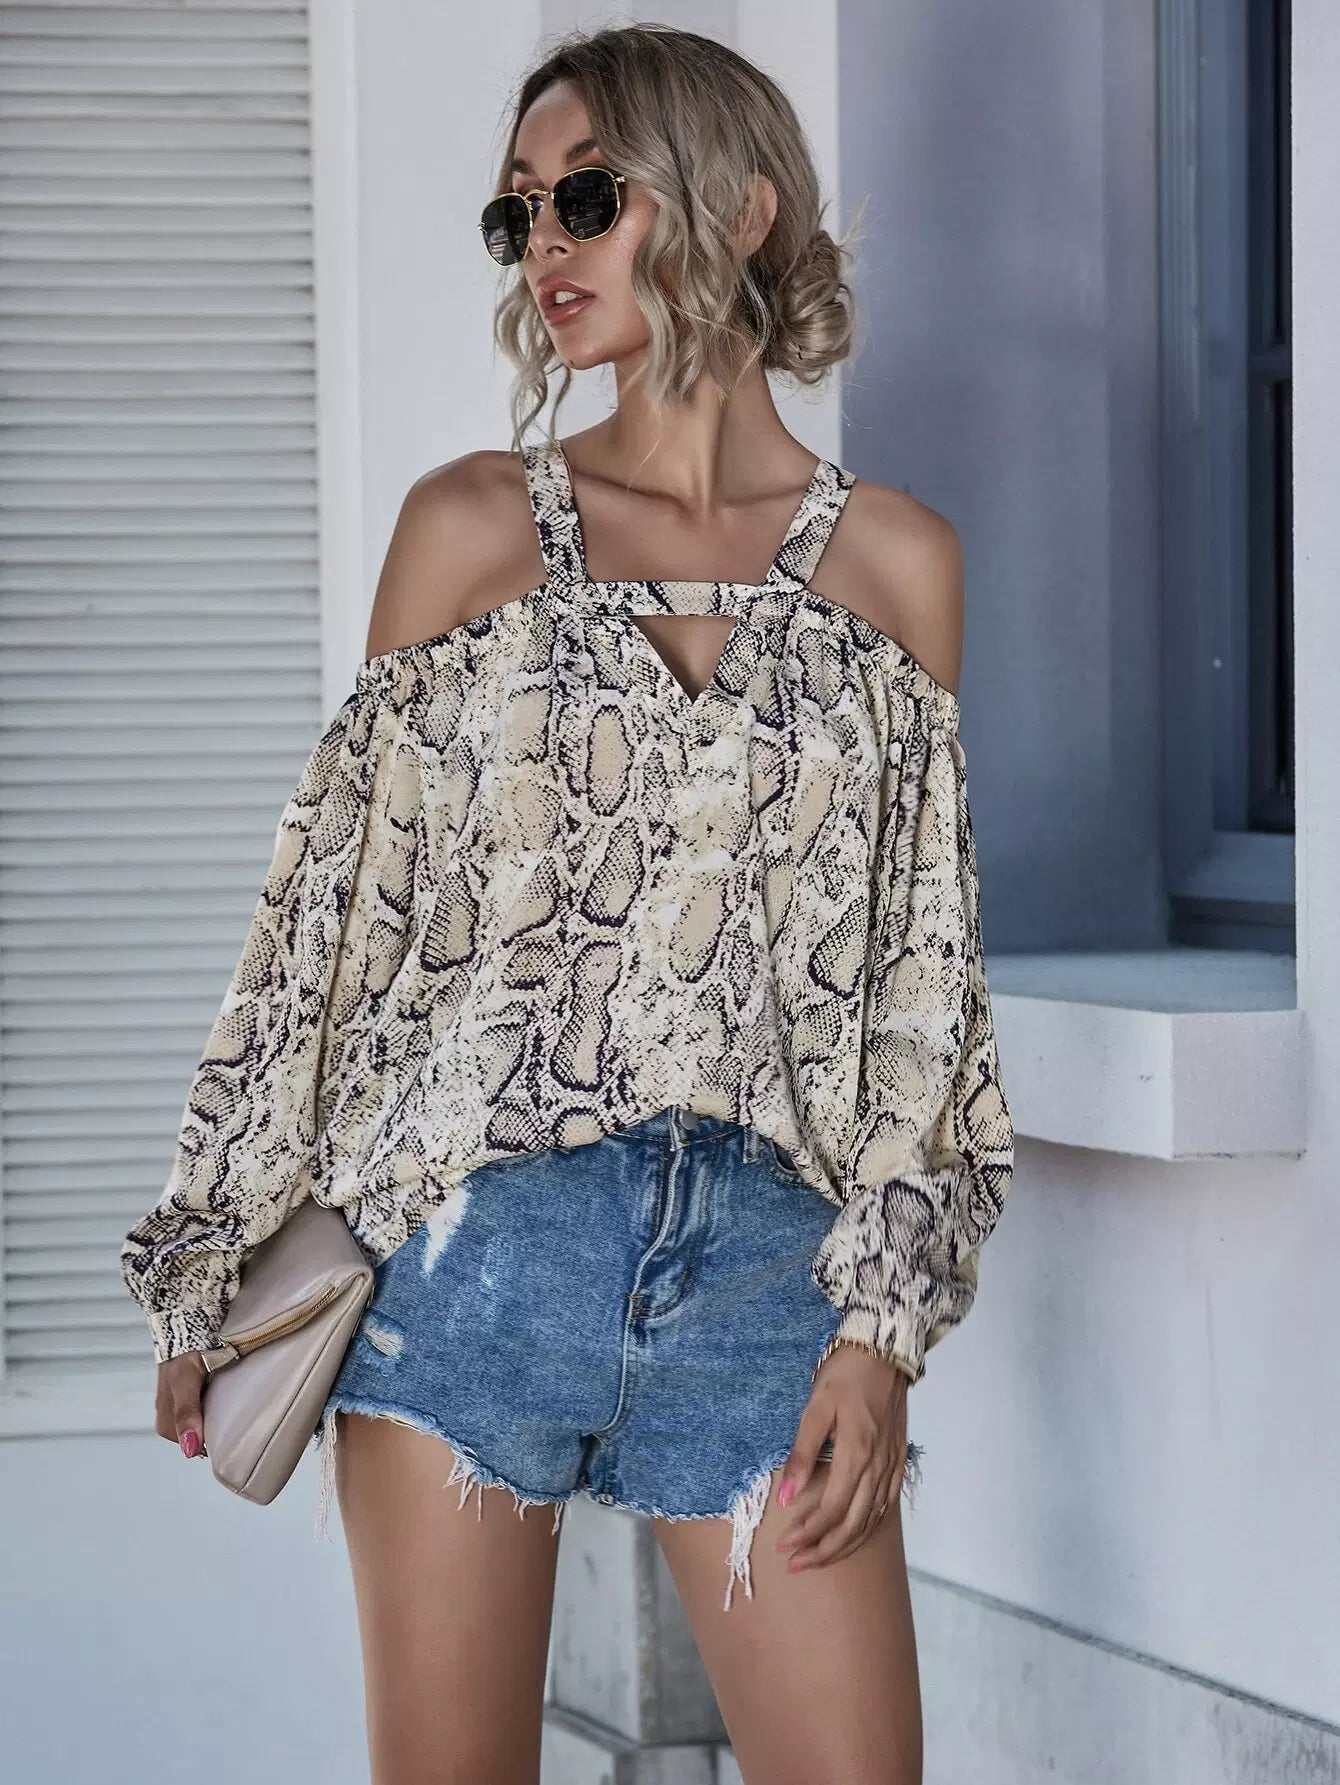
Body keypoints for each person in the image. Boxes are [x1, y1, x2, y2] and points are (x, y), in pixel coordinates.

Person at [120, 23, 1014, 1785]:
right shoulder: (468, 531)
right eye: (517, 210)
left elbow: (923, 1001)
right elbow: (327, 938)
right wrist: (209, 1244)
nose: (543, 243)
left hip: (768, 1277)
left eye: (586, 196)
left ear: (739, 208)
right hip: (471, 1261)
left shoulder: (901, 568)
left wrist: (883, 1335)